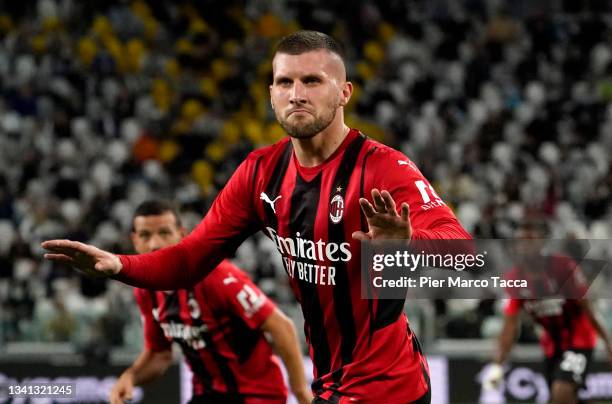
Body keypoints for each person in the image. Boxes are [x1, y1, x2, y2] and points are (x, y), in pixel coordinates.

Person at [43, 30, 472, 403]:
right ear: (271, 93)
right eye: (284, 81)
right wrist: (120, 265)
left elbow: (465, 254)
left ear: (345, 92)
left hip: (385, 384)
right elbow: (192, 257)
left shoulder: (382, 168)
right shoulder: (261, 173)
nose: (296, 94)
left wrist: (409, 248)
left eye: (312, 81)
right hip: (333, 381)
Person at [109, 200, 312, 404]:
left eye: (164, 233)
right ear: (134, 240)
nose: (155, 244)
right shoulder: (145, 292)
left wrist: (301, 391)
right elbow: (160, 354)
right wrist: (130, 376)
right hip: (207, 395)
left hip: (256, 395)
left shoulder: (217, 276)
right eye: (145, 235)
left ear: (181, 234)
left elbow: (282, 326)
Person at [484, 221, 612, 404]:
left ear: (541, 243)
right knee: (560, 397)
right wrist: (497, 365)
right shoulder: (514, 278)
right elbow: (509, 326)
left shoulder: (562, 267)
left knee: (562, 392)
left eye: (530, 241)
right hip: (552, 346)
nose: (525, 247)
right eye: (520, 242)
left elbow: (587, 308)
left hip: (580, 340)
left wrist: (607, 343)